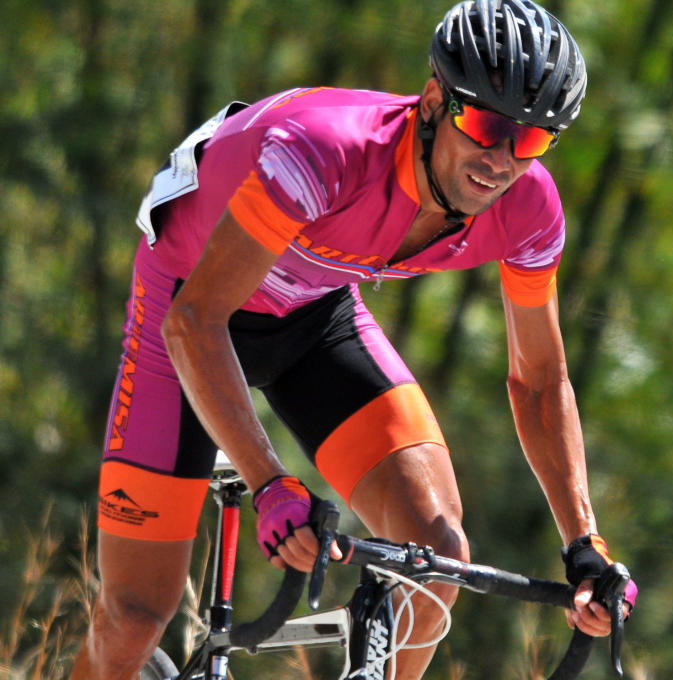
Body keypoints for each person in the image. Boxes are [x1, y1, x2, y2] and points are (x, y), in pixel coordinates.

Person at [71, 1, 636, 678]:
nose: (501, 159)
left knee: (436, 559)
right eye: (487, 125)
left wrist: (584, 544)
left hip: (315, 311)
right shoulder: (324, 152)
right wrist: (270, 483)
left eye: (532, 140)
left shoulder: (528, 210)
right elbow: (194, 322)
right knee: (135, 617)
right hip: (187, 307)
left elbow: (540, 382)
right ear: (434, 101)